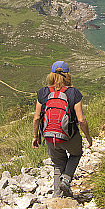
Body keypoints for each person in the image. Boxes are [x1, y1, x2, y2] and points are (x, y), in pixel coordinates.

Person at [32, 60, 93, 198]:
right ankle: (66, 179)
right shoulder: (73, 93)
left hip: (50, 137)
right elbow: (81, 120)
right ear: (68, 75)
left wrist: (35, 137)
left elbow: (36, 118)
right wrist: (88, 137)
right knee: (76, 154)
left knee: (58, 164)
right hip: (70, 136)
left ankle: (57, 197)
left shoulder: (43, 92)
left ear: (51, 75)